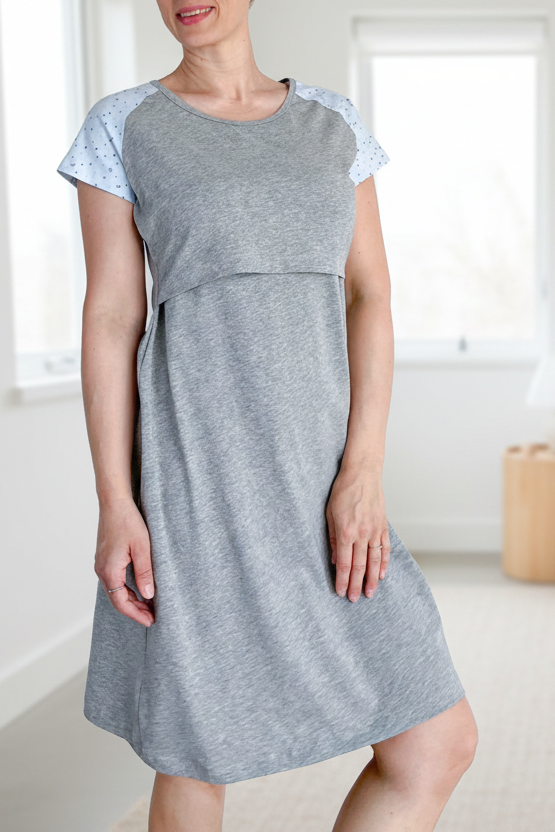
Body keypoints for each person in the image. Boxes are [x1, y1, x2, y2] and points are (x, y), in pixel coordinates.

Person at [57, 1, 478, 830]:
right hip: (196, 477)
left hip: (324, 474)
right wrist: (115, 501)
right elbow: (111, 316)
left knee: (435, 743)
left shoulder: (333, 122)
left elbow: (369, 295)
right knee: (198, 750)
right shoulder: (122, 126)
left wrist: (362, 470)